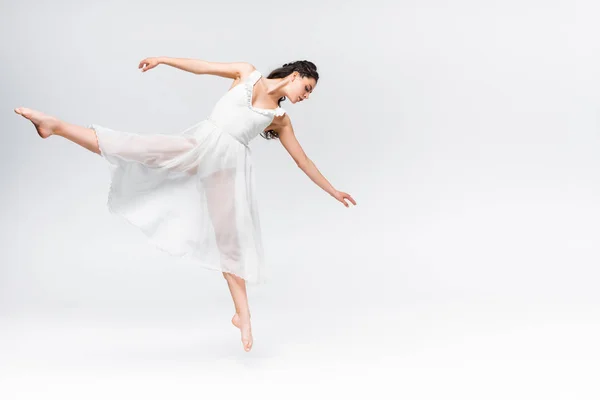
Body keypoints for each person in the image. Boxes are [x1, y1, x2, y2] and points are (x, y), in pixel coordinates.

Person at [13, 57, 357, 352]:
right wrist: (164, 59)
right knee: (132, 147)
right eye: (307, 88)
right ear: (295, 75)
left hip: (226, 170)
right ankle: (54, 126)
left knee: (230, 241)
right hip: (196, 147)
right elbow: (203, 68)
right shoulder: (247, 73)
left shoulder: (279, 119)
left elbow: (303, 161)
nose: (305, 97)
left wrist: (333, 190)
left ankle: (244, 316)